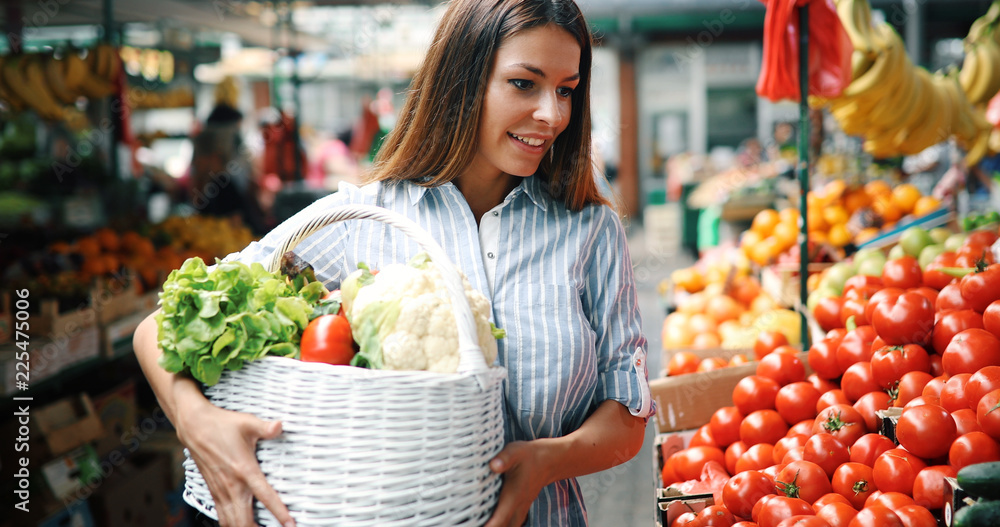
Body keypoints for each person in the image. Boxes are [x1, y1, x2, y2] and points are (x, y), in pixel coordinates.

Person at [132, 1, 652, 526]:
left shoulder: (590, 231)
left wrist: (547, 461)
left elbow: (628, 410)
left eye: (567, 89)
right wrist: (195, 421)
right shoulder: (363, 217)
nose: (553, 114)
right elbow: (160, 327)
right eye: (525, 83)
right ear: (461, 81)